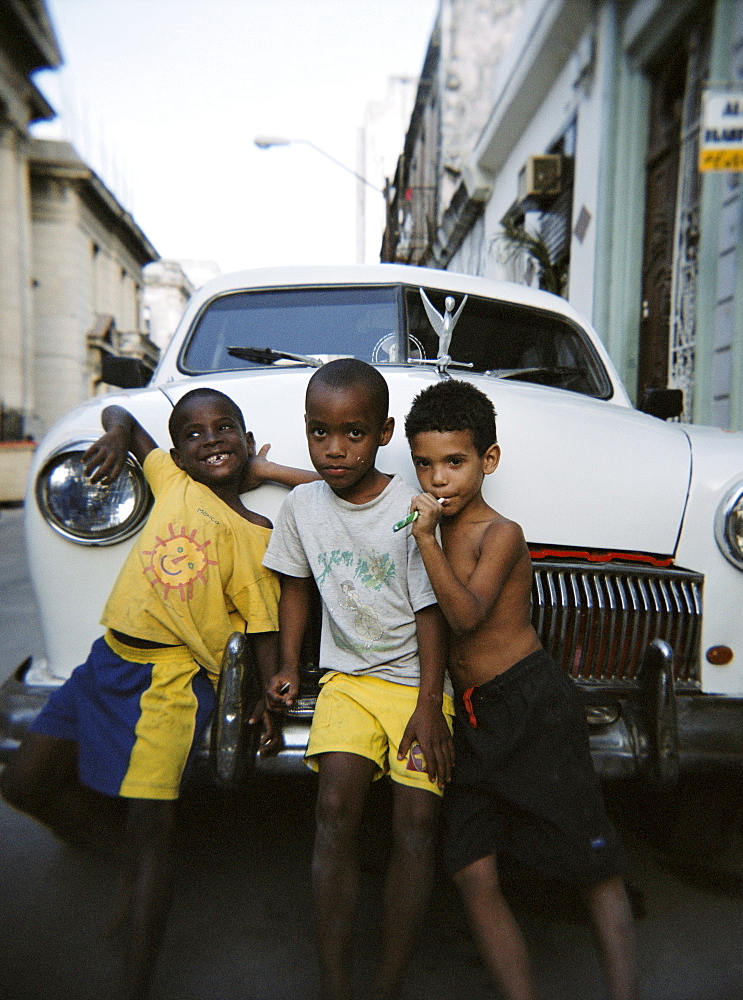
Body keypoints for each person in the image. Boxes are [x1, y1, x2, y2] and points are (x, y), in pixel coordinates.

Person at [0, 387, 312, 1000]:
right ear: (175, 452)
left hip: (168, 685)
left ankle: (135, 976)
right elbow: (121, 414)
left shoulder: (256, 533)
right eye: (193, 433)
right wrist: (117, 436)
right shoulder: (169, 479)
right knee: (23, 783)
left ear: (246, 443)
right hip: (105, 662)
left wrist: (266, 697)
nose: (211, 439)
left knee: (153, 829)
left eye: (226, 429)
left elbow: (264, 630)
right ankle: (135, 871)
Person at [403, 379, 641, 1000]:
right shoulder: (427, 518)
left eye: (455, 463)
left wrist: (425, 540)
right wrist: (267, 467)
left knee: (591, 858)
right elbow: (350, 488)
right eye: (424, 465)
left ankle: (624, 991)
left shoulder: (499, 533)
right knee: (470, 867)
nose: (439, 480)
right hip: (472, 716)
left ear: (488, 461)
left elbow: (465, 616)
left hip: (531, 704)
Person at [262, 358, 453, 1000]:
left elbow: (432, 613)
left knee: (416, 819)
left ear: (384, 433)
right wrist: (289, 665)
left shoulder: (413, 507)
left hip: (417, 684)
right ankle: (337, 982)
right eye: (319, 432)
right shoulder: (302, 506)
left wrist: (430, 705)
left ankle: (388, 979)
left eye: (352, 432)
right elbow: (295, 588)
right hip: (347, 680)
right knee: (335, 806)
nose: (333, 449)